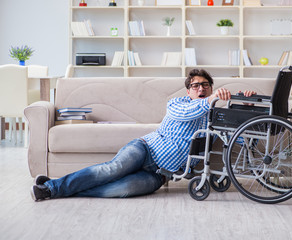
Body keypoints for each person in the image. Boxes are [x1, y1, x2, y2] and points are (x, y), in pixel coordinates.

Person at [31, 69, 256, 201]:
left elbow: (238, 130)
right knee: (111, 170)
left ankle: (67, 189)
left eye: (205, 85)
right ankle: (51, 189)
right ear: (188, 91)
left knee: (122, 189)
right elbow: (187, 113)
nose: (201, 88)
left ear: (210, 88)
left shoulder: (215, 115)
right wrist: (211, 100)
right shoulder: (178, 103)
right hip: (145, 149)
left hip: (160, 174)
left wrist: (246, 104)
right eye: (195, 85)